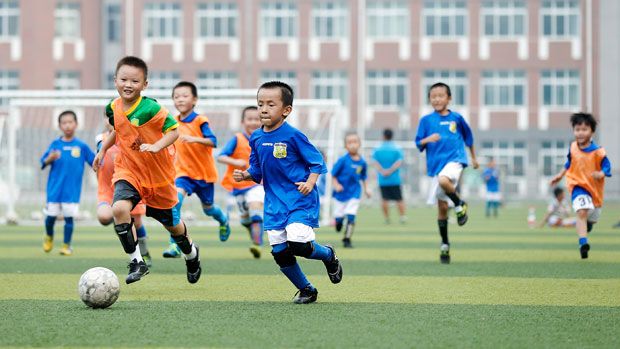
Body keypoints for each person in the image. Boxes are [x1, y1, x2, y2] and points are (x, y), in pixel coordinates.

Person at [93, 56, 201, 284]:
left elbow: (174, 131)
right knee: (119, 209)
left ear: (144, 85)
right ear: (115, 80)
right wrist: (102, 151)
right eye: (124, 79)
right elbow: (117, 131)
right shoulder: (112, 107)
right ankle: (137, 261)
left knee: (174, 227)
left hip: (159, 178)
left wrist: (156, 146)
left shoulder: (151, 108)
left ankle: (191, 253)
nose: (128, 85)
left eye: (135, 81)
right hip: (129, 172)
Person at [233, 81, 342, 304]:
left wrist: (310, 183)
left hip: (299, 200)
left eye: (270, 104)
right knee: (280, 252)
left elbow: (316, 162)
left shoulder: (293, 136)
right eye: (260, 104)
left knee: (299, 245)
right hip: (274, 203)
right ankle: (307, 289)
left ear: (286, 110)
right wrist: (245, 175)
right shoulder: (256, 137)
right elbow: (257, 169)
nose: (263, 109)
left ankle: (328, 255)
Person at [162, 81, 231, 258]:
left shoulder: (201, 120)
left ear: (194, 100)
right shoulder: (172, 122)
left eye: (184, 96)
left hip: (204, 174)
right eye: (176, 97)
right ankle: (175, 244)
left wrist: (194, 139)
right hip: (182, 174)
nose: (180, 99)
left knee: (208, 209)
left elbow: (213, 141)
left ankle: (223, 219)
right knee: (174, 204)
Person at [415, 82, 478, 264]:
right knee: (442, 208)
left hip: (455, 160)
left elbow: (469, 138)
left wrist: (473, 158)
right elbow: (419, 143)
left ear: (449, 98)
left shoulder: (457, 118)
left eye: (440, 96)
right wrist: (429, 139)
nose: (437, 99)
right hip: (436, 166)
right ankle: (445, 245)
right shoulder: (426, 121)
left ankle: (460, 204)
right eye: (433, 96)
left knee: (444, 180)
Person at [550, 112, 611, 259]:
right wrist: (560, 175)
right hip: (577, 186)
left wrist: (601, 174)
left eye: (584, 129)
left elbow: (607, 167)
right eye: (577, 129)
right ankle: (583, 243)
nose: (580, 133)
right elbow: (568, 163)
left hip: (595, 190)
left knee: (592, 218)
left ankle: (588, 224)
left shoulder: (598, 151)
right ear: (573, 131)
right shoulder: (572, 147)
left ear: (592, 131)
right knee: (582, 212)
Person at [96, 118, 152, 266]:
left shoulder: (132, 138)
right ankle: (132, 249)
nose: (112, 120)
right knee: (104, 217)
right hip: (108, 189)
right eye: (109, 117)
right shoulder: (100, 139)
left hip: (130, 185)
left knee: (137, 222)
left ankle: (144, 252)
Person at [40, 110, 95, 255]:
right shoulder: (55, 144)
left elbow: (94, 162)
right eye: (64, 123)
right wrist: (49, 159)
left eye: (70, 122)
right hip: (54, 190)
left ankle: (66, 245)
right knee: (50, 218)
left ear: (76, 124)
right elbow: (42, 162)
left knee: (69, 218)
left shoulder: (81, 146)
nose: (67, 125)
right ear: (59, 125)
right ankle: (49, 236)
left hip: (71, 191)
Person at [217, 106, 265, 259]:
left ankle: (257, 244)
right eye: (250, 119)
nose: (253, 122)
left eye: (257, 119)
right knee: (245, 220)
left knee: (255, 208)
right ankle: (254, 237)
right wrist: (236, 161)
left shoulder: (265, 139)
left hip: (257, 184)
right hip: (238, 186)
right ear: (243, 122)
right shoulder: (237, 139)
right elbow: (221, 156)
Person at [332, 133, 370, 248]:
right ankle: (338, 222)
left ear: (359, 144)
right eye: (349, 142)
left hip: (354, 192)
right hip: (341, 194)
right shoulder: (343, 160)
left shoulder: (362, 162)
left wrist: (367, 189)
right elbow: (333, 175)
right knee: (339, 217)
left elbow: (363, 177)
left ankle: (347, 239)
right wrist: (336, 185)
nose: (353, 145)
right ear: (345, 145)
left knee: (351, 215)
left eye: (355, 142)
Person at [372, 128, 406, 224]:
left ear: (383, 136)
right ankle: (402, 217)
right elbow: (399, 162)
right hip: (395, 179)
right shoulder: (397, 148)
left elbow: (375, 161)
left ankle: (387, 219)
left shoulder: (377, 148)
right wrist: (390, 171)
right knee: (399, 199)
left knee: (384, 199)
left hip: (383, 179)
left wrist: (383, 171)